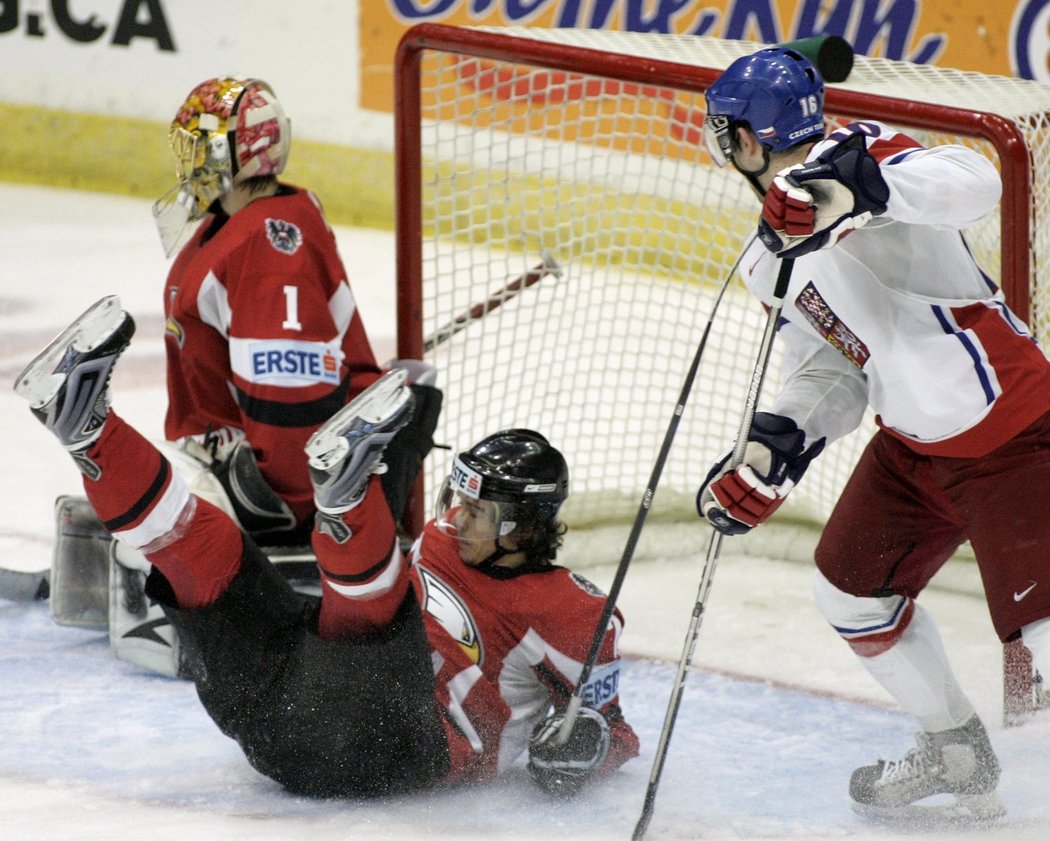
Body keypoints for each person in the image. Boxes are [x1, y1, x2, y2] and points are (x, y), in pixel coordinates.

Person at [13, 296, 639, 797]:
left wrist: (584, 746)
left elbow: (614, 734)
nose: (457, 517)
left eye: (482, 509)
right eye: (459, 497)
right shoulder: (447, 539)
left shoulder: (575, 612)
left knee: (378, 621)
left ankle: (344, 499)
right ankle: (87, 428)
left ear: (528, 525)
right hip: (274, 717)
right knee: (213, 550)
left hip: (391, 749)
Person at [695, 46, 1050, 821]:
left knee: (1047, 634)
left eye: (723, 131)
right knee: (852, 590)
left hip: (1011, 429)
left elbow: (975, 181)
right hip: (914, 446)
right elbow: (831, 370)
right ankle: (955, 745)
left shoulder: (864, 155)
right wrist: (772, 448)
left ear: (746, 139)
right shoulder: (767, 257)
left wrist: (854, 189)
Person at [152, 75, 440, 543]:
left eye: (200, 148)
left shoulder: (267, 253)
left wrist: (284, 505)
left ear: (235, 156)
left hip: (273, 487)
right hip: (224, 451)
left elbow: (289, 407)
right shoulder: (248, 221)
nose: (190, 162)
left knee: (136, 506)